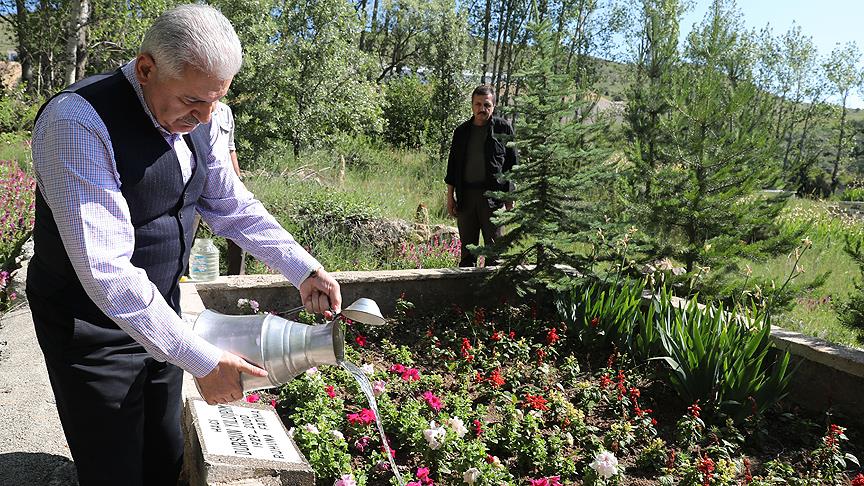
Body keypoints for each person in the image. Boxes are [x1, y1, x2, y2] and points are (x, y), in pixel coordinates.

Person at [26, 4, 341, 486]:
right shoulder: (77, 122)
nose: (206, 116)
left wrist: (303, 268)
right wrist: (203, 361)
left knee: (164, 453)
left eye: (217, 99)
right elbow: (106, 273)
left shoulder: (204, 114)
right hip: (90, 326)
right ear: (147, 68)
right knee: (113, 466)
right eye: (193, 100)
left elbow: (230, 204)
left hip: (163, 313)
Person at [444, 84, 517, 267]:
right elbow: (452, 166)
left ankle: (494, 295)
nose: (482, 109)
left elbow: (512, 165)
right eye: (478, 104)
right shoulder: (461, 132)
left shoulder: (503, 129)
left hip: (494, 199)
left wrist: (510, 196)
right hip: (466, 198)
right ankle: (467, 293)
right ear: (472, 105)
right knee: (468, 253)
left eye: (487, 105)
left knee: (495, 253)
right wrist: (450, 197)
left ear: (493, 106)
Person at [210, 100, 246, 275]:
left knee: (238, 236)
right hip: (198, 183)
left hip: (226, 183)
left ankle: (237, 279)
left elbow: (231, 148)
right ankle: (182, 282)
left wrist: (238, 179)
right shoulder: (193, 107)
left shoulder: (225, 111)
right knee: (186, 237)